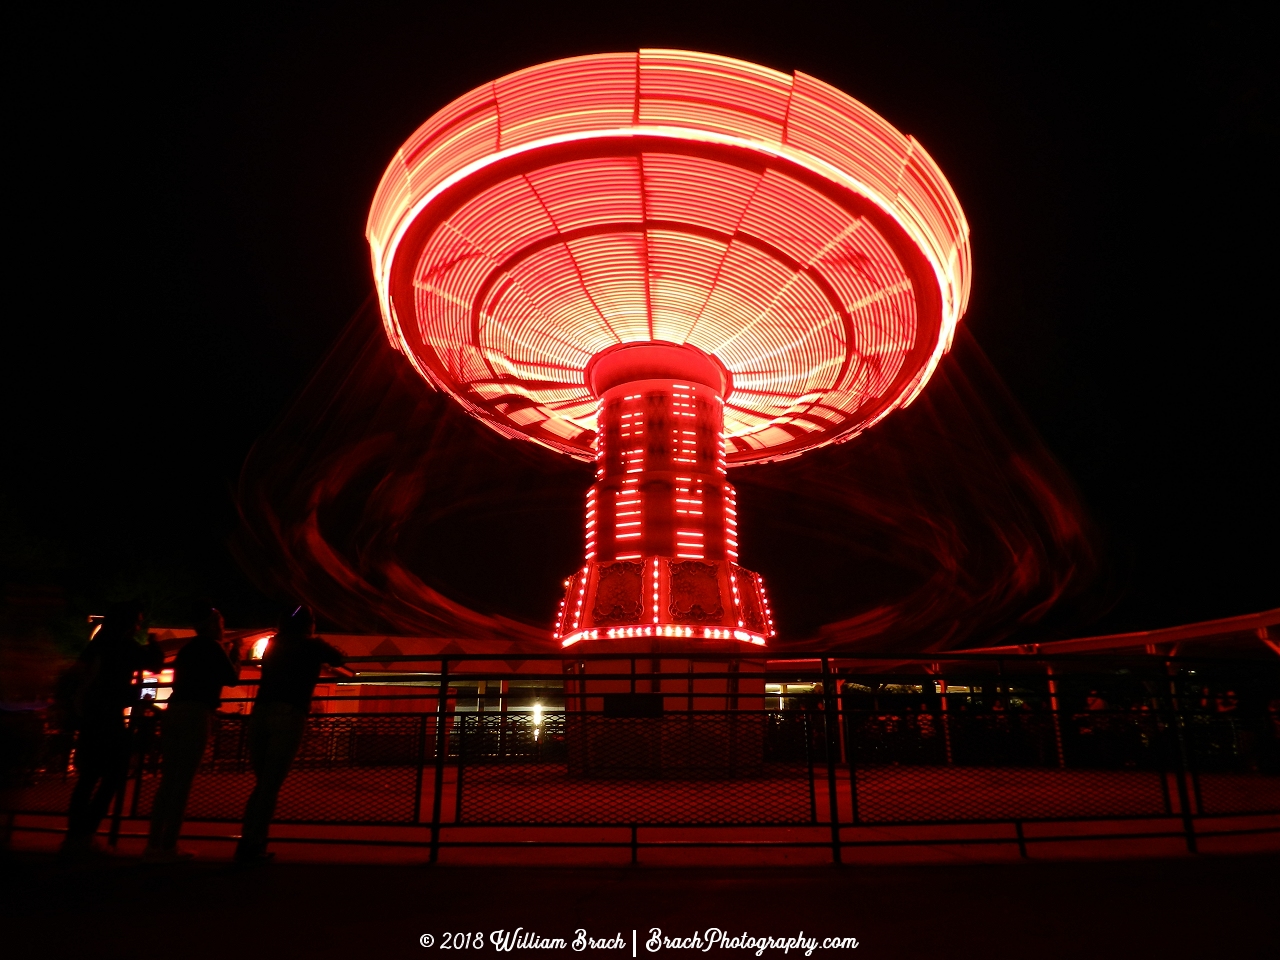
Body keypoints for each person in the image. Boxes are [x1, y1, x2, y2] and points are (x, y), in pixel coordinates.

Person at [235, 604, 346, 864]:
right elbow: (339, 659)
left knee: (262, 783)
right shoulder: (312, 645)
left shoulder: (273, 644)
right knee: (270, 785)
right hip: (291, 712)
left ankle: (247, 840)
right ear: (309, 624)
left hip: (261, 712)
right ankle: (253, 845)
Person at [59, 600, 163, 859]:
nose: (138, 626)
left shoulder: (97, 645)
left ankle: (74, 837)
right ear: (128, 622)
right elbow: (154, 664)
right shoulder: (124, 645)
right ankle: (87, 835)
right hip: (109, 718)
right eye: (137, 621)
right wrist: (154, 642)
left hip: (89, 717)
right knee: (114, 775)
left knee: (88, 778)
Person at [143, 606, 240, 862]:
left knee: (168, 780)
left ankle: (153, 844)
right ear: (212, 626)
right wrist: (235, 656)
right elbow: (231, 678)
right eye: (220, 622)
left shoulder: (187, 649)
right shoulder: (214, 647)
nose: (223, 626)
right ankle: (168, 846)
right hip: (196, 712)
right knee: (183, 782)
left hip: (174, 710)